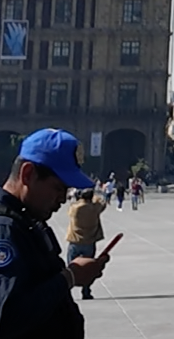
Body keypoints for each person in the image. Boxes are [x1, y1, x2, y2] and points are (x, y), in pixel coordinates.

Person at [0, 128, 110, 336]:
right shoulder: (5, 229)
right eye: (58, 188)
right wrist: (70, 276)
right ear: (28, 174)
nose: (62, 198)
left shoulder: (26, 221)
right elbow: (8, 316)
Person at [65, 187, 107, 301]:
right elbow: (102, 202)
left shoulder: (75, 208)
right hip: (89, 241)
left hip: (75, 240)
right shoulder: (95, 208)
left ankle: (67, 292)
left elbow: (70, 207)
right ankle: (86, 291)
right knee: (88, 268)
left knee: (70, 269)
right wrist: (94, 196)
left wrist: (77, 197)